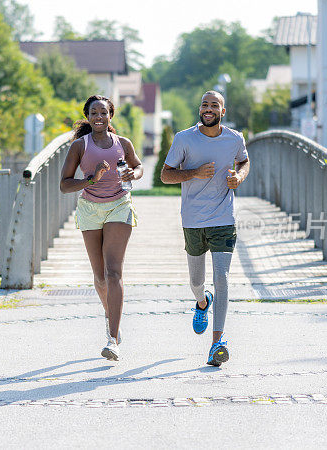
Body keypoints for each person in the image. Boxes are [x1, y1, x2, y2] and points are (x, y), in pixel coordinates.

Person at [160, 90, 250, 366]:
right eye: (204, 104)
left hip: (223, 218)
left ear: (223, 111)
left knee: (221, 278)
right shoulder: (184, 138)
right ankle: (202, 302)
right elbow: (165, 175)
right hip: (193, 220)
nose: (208, 109)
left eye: (214, 105)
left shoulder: (234, 139)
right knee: (196, 282)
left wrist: (239, 176)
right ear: (200, 109)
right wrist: (193, 173)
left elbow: (244, 162)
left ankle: (217, 344)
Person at [60, 95, 143, 361]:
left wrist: (134, 174)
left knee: (113, 272)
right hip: (89, 209)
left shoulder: (123, 143)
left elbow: (138, 165)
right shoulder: (79, 146)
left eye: (103, 113)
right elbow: (64, 184)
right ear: (88, 116)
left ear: (110, 116)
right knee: (100, 278)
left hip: (119, 204)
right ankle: (110, 314)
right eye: (93, 113)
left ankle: (113, 338)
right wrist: (90, 179)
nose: (98, 117)